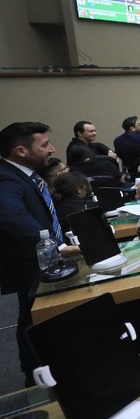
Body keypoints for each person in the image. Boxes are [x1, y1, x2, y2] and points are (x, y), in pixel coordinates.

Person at [0, 122, 81, 385]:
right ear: (21, 151)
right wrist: (57, 246)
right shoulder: (6, 178)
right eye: (44, 145)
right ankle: (34, 378)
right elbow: (13, 217)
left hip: (44, 262)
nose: (52, 149)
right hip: (29, 266)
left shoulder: (26, 175)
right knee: (32, 317)